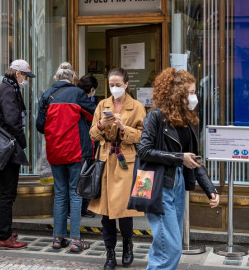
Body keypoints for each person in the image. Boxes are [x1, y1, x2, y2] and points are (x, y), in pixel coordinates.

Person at [138, 68, 220, 270]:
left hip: (178, 184)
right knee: (172, 246)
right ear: (177, 94)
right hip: (158, 184)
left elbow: (193, 159)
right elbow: (144, 150)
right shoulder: (155, 117)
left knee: (163, 245)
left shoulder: (187, 121)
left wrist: (210, 188)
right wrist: (178, 158)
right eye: (190, 92)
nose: (194, 97)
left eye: (194, 92)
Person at [88, 68, 145, 269]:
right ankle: (109, 253)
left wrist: (123, 127)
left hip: (125, 161)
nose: (114, 88)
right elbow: (92, 135)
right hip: (105, 160)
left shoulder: (136, 106)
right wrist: (102, 125)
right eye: (111, 85)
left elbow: (142, 136)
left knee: (124, 210)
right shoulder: (103, 105)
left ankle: (128, 245)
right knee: (106, 212)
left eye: (118, 85)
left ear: (126, 85)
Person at [36, 63, 96, 253]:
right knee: (75, 194)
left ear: (56, 79)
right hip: (75, 150)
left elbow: (39, 125)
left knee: (60, 194)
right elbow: (93, 114)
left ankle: (57, 238)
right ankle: (76, 240)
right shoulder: (78, 94)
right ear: (72, 79)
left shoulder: (46, 95)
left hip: (54, 151)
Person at [0, 59, 35, 250]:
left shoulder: (1, 87)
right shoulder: (9, 91)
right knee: (6, 193)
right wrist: (22, 142)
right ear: (17, 74)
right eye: (25, 76)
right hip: (7, 147)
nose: (26, 80)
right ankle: (5, 236)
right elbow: (12, 120)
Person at [76, 74, 98, 218]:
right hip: (82, 144)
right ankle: (81, 208)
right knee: (83, 177)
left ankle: (81, 207)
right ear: (91, 89)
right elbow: (97, 113)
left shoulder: (73, 96)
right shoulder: (83, 100)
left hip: (73, 145)